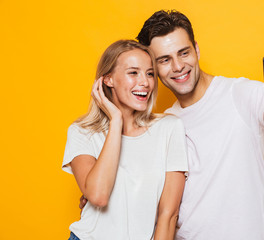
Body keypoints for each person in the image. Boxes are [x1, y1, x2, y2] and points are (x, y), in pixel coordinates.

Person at [134, 10, 264, 240]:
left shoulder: (241, 94)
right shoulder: (165, 124)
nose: (178, 66)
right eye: (165, 59)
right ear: (154, 67)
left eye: (184, 53)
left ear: (197, 49)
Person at [62, 39, 188, 240]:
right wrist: (116, 121)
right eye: (133, 73)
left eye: (149, 73)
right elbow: (98, 196)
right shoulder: (82, 132)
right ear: (108, 79)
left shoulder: (169, 128)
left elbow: (169, 214)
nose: (145, 82)